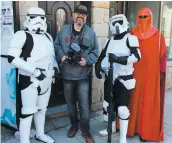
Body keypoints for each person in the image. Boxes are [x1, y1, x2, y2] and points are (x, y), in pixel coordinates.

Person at [7, 7, 59, 143]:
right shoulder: (21, 35)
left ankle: (40, 134)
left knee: (42, 109)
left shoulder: (48, 36)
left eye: (42, 18)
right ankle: (24, 140)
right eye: (34, 17)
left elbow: (51, 56)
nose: (38, 21)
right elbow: (12, 58)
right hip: (29, 80)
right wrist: (34, 71)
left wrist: (55, 68)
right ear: (28, 18)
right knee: (28, 112)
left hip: (47, 80)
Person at [54, 5, 99, 143]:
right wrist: (62, 56)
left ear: (86, 17)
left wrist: (87, 61)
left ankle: (85, 131)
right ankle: (74, 125)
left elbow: (95, 52)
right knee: (71, 104)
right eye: (78, 13)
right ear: (73, 15)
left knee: (84, 106)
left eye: (83, 14)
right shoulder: (64, 30)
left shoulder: (90, 33)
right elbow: (56, 46)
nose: (81, 16)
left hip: (83, 76)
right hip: (67, 75)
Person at [95, 14, 141, 143]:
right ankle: (111, 127)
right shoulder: (108, 41)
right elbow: (101, 57)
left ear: (125, 23)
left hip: (123, 80)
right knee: (108, 105)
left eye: (119, 22)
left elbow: (137, 56)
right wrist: (98, 68)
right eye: (113, 23)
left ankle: (122, 139)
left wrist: (119, 59)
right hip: (110, 78)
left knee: (122, 109)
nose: (116, 26)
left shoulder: (130, 39)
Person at [123, 7, 167, 142]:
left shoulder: (158, 36)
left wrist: (161, 73)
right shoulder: (131, 34)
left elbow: (163, 56)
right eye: (140, 17)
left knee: (147, 103)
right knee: (132, 100)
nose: (143, 20)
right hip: (134, 73)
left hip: (150, 76)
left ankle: (145, 131)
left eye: (145, 17)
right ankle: (130, 128)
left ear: (151, 18)